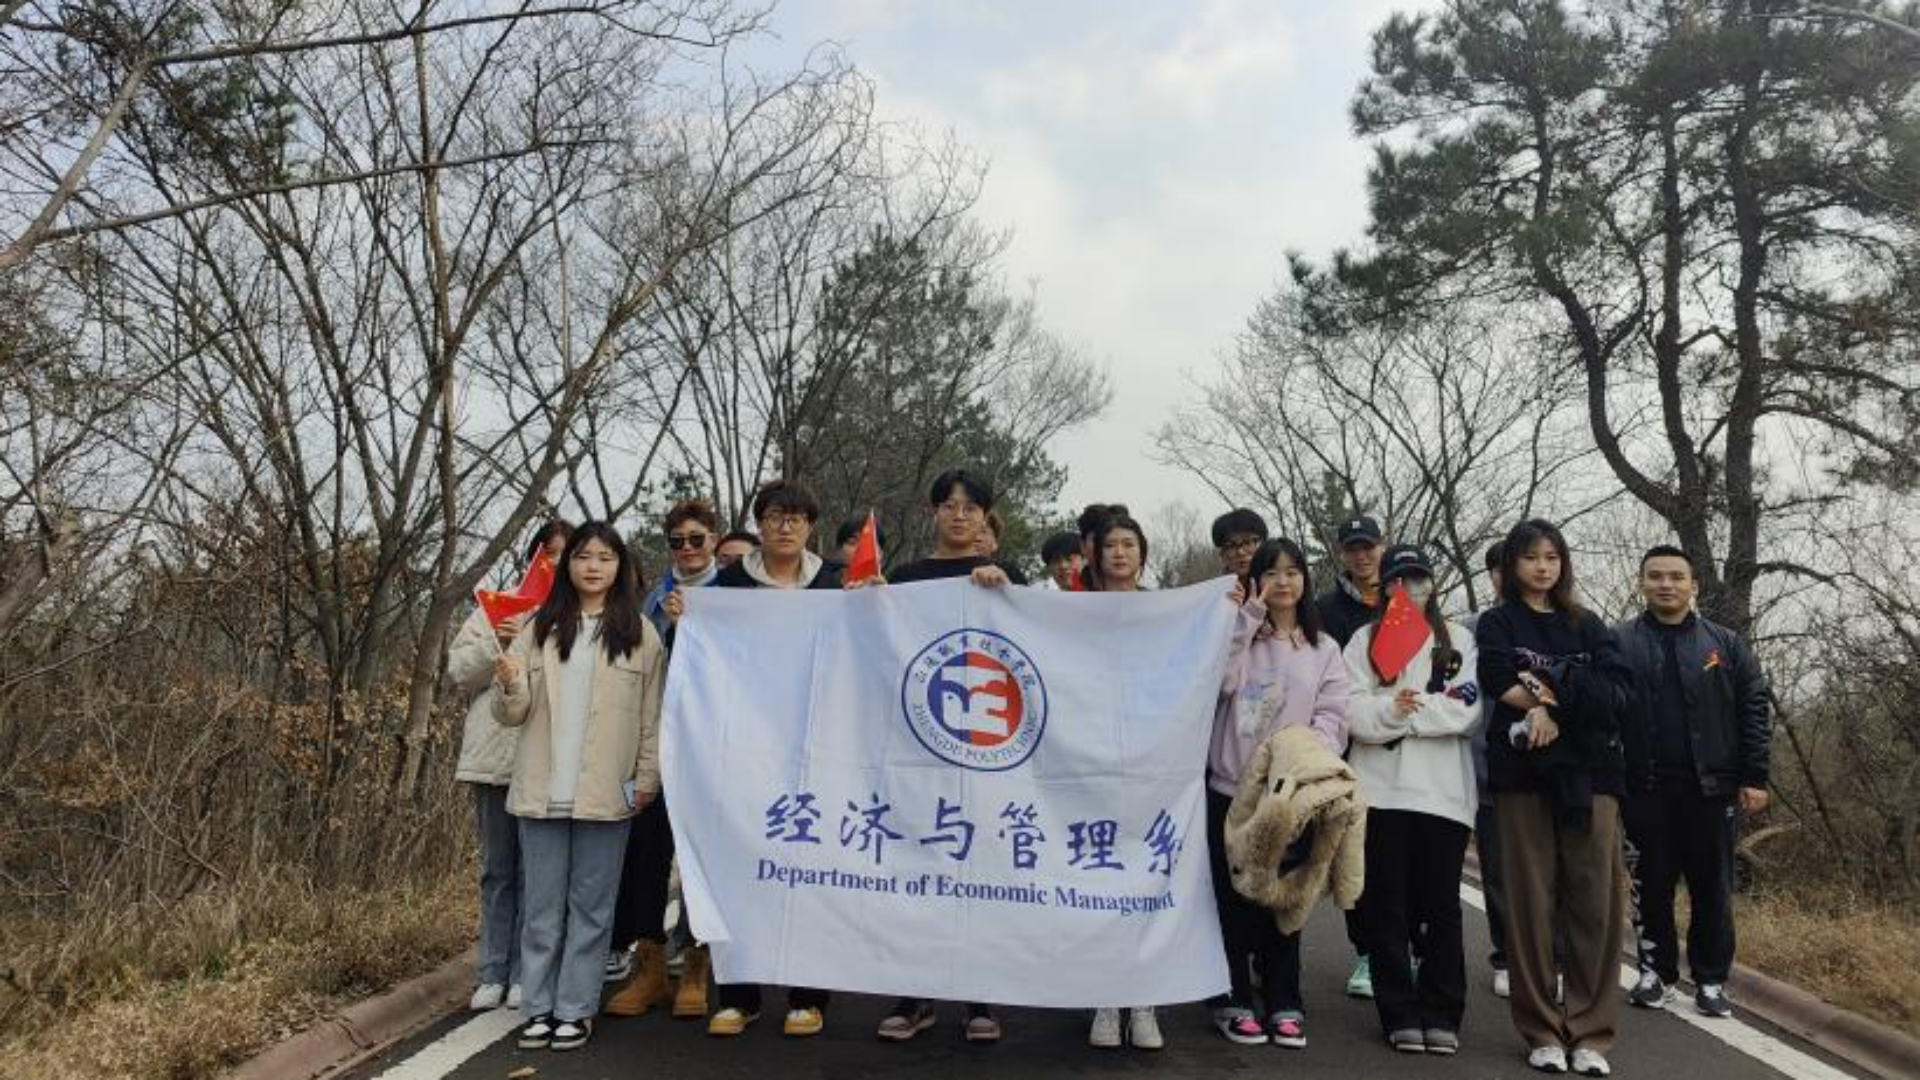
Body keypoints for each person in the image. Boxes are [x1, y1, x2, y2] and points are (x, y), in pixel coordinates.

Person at [493, 522, 667, 1053]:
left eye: (605, 558)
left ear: (621, 568)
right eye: (583, 556)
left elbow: (652, 716)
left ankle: (575, 1008)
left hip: (607, 791)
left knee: (592, 907)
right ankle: (539, 1007)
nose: (593, 567)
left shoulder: (640, 633)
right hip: (541, 790)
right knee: (542, 909)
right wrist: (509, 681)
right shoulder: (537, 627)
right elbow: (511, 714)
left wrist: (646, 778)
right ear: (566, 565)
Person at [864, 469, 1023, 1042]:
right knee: (920, 872)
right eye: (949, 505)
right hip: (919, 752)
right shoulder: (907, 577)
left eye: (970, 507)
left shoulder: (1007, 576)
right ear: (932, 513)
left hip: (987, 754)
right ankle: (915, 997)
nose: (959, 515)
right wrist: (865, 603)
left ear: (985, 516)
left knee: (980, 874)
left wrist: (1006, 589)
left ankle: (981, 1000)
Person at [1474, 519, 1633, 1077]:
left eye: (1552, 557)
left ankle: (1590, 1033)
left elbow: (1616, 690)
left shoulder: (1587, 624)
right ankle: (1542, 1030)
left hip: (1593, 776)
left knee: (1595, 905)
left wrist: (1548, 704)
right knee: (1530, 905)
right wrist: (1554, 698)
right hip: (1523, 775)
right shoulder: (1498, 622)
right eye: (1531, 557)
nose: (1543, 567)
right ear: (1512, 564)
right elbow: (1499, 678)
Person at [706, 480, 840, 1039]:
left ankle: (809, 996)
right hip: (746, 748)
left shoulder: (835, 583)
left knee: (811, 871)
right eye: (775, 517)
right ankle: (740, 996)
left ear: (810, 527)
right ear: (759, 524)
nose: (785, 527)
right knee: (741, 867)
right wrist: (686, 618)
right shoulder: (728, 585)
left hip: (822, 748)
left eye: (796, 518)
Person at [1616, 546, 1771, 1019]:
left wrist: (1755, 776)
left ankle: (1710, 980)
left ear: (1693, 586)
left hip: (1712, 789)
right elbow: (1601, 709)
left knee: (1712, 889)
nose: (1666, 584)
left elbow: (1753, 708)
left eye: (1676, 577)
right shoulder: (1618, 641)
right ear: (1641, 584)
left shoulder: (1725, 644)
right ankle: (1655, 974)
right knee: (1650, 885)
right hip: (1643, 787)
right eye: (1655, 576)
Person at [1208, 538, 1348, 1049]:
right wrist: (1247, 618)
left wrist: (1304, 757)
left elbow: (1334, 715)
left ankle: (1285, 999)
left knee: (1283, 897)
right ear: (1256, 580)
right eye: (1272, 572)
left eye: (1292, 571)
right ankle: (1232, 997)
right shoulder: (1239, 633)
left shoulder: (1323, 648)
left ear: (1305, 580)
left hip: (1290, 795)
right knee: (1232, 898)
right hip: (1231, 789)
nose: (1283, 581)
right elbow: (1219, 684)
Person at [1344, 545, 1482, 1056]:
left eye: (1419, 579)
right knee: (1387, 906)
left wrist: (1405, 711)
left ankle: (1443, 1010)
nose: (1410, 590)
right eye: (1399, 581)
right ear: (1385, 588)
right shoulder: (1365, 640)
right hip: (1380, 792)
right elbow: (1352, 710)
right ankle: (1398, 1011)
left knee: (1441, 907)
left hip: (1443, 795)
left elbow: (1465, 710)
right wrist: (1389, 714)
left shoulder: (1459, 640)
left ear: (1432, 583)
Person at [446, 519, 573, 1012]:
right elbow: (459, 672)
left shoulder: (577, 616)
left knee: (538, 873)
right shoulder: (496, 609)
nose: (557, 562)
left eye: (567, 552)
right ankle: (492, 972)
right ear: (533, 557)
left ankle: (526, 972)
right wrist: (495, 642)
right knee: (498, 871)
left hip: (547, 762)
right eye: (550, 552)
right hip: (495, 762)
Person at [605, 499, 721, 1019]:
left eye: (697, 538)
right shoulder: (652, 598)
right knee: (646, 855)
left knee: (702, 859)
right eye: (677, 541)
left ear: (713, 539)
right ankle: (649, 968)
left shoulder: (734, 592)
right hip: (654, 742)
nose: (688, 548)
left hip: (711, 748)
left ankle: (695, 964)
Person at [1080, 510, 1165, 1049]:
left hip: (1155, 759)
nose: (1119, 552)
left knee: (1148, 876)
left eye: (1129, 544)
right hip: (1087, 758)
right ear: (1096, 552)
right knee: (1100, 876)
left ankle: (1145, 999)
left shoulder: (1166, 610)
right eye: (1110, 544)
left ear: (1142, 553)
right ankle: (1105, 998)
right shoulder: (1072, 611)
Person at [1315, 514, 1388, 999]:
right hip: (1346, 748)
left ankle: (1407, 949)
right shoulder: (1326, 608)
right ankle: (1367, 952)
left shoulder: (1407, 601)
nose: (1362, 556)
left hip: (1401, 745)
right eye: (1353, 548)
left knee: (1399, 855)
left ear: (1383, 547)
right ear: (1342, 554)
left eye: (1369, 547)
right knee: (1354, 855)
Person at [1467, 541, 1515, 999]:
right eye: (1497, 568)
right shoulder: (1470, 629)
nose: (1507, 574)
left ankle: (1553, 958)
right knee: (1499, 872)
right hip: (1487, 772)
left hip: (1548, 773)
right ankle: (1506, 956)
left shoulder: (1565, 624)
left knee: (1549, 875)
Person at [1212, 508, 1270, 581]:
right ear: (1222, 555)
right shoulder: (1214, 587)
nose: (1240, 552)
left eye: (1248, 543)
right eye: (1231, 546)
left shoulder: (1281, 585)